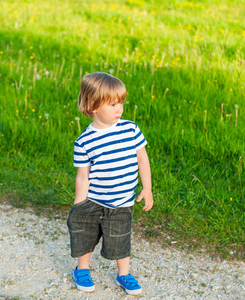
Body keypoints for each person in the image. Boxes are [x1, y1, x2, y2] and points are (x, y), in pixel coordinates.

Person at [67, 72, 153, 295]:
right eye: (113, 104)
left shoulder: (130, 129)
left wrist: (148, 188)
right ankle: (82, 269)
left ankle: (124, 274)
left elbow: (142, 159)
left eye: (121, 103)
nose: (119, 109)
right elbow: (82, 176)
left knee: (120, 239)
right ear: (93, 105)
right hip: (94, 201)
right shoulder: (84, 141)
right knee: (85, 235)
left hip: (122, 201)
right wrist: (80, 204)